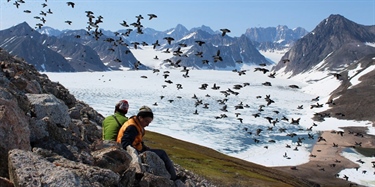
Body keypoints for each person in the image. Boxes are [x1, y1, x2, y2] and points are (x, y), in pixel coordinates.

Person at [117, 106, 177, 180]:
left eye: (149, 122)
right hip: (133, 153)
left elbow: (135, 140)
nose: (147, 124)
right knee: (162, 153)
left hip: (136, 150)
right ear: (140, 117)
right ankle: (173, 178)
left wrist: (143, 147)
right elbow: (125, 143)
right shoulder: (132, 127)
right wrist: (136, 154)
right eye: (146, 121)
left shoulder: (135, 124)